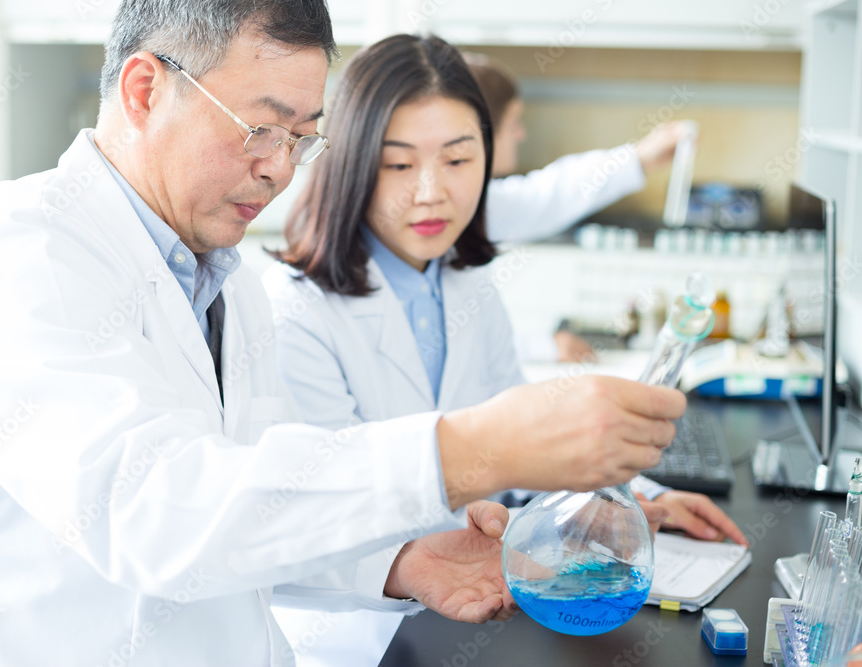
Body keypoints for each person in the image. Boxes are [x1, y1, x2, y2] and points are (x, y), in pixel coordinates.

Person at [0, 3, 687, 664]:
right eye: (260, 128)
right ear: (142, 90)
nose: (280, 169)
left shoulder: (224, 276)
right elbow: (155, 514)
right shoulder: (20, 251)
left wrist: (400, 560)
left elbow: (256, 504)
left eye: (303, 138)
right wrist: (465, 450)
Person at [263, 34, 747, 667]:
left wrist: (634, 502)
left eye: (459, 161)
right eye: (399, 164)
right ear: (352, 163)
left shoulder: (465, 283)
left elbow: (517, 456)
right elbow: (328, 512)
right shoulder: (294, 312)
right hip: (361, 636)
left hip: (472, 611)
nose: (432, 192)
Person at [465, 52, 690, 362]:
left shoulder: (478, 202)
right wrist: (542, 347)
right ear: (484, 131)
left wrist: (639, 158)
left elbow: (547, 195)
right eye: (514, 122)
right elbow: (455, 341)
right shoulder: (450, 213)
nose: (521, 133)